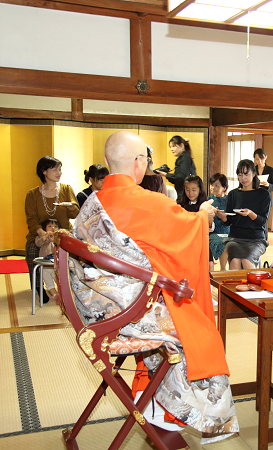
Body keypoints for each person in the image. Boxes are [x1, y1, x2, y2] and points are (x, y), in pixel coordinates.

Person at [73, 130, 237, 440]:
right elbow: (186, 231)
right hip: (131, 313)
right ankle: (165, 409)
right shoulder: (144, 203)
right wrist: (202, 215)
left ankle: (146, 393)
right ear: (139, 163)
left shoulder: (92, 202)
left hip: (97, 306)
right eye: (146, 161)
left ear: (108, 163)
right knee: (197, 327)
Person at [25, 156, 79, 302]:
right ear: (44, 171)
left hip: (64, 233)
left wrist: (72, 206)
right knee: (31, 250)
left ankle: (72, 287)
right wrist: (42, 233)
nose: (59, 172)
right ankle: (38, 287)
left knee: (76, 251)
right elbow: (31, 219)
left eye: (60, 169)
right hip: (39, 234)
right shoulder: (32, 194)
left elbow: (75, 214)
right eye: (54, 169)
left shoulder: (66, 189)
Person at [217, 160, 271, 270]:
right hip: (235, 238)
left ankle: (252, 286)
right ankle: (236, 286)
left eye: (246, 174)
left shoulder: (264, 195)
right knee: (235, 260)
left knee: (246, 260)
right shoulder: (233, 194)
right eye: (240, 175)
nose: (243, 178)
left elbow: (263, 221)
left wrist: (250, 214)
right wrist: (223, 217)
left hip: (256, 239)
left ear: (254, 174)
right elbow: (228, 222)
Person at [156, 135, 196, 201]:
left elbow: (182, 177)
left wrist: (166, 174)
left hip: (185, 194)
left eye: (174, 146)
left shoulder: (185, 158)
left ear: (181, 145)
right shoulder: (182, 158)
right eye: (170, 147)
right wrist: (166, 174)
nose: (171, 149)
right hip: (183, 193)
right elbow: (177, 179)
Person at [34, 218, 60, 304]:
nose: (53, 228)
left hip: (55, 266)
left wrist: (54, 238)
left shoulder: (57, 238)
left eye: (55, 226)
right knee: (49, 284)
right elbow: (38, 244)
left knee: (59, 282)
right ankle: (56, 297)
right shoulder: (40, 238)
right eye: (50, 226)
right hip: (44, 267)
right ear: (44, 228)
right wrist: (45, 236)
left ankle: (64, 297)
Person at [208, 173, 230, 271]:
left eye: (217, 185)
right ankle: (223, 269)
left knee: (228, 240)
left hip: (228, 231)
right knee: (222, 242)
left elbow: (231, 219)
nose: (213, 187)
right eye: (212, 185)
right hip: (214, 232)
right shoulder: (209, 200)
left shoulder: (229, 200)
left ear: (224, 187)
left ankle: (225, 269)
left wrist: (222, 216)